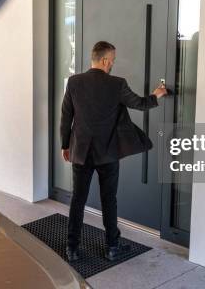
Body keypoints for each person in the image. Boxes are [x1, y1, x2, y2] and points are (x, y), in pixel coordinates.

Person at [60, 41, 167, 262]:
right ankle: (111, 247)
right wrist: (156, 94)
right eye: (113, 60)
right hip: (108, 153)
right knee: (109, 199)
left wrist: (65, 145)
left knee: (77, 199)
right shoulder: (117, 84)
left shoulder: (74, 82)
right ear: (105, 60)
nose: (113, 64)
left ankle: (72, 249)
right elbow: (139, 104)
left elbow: (66, 117)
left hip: (81, 151)